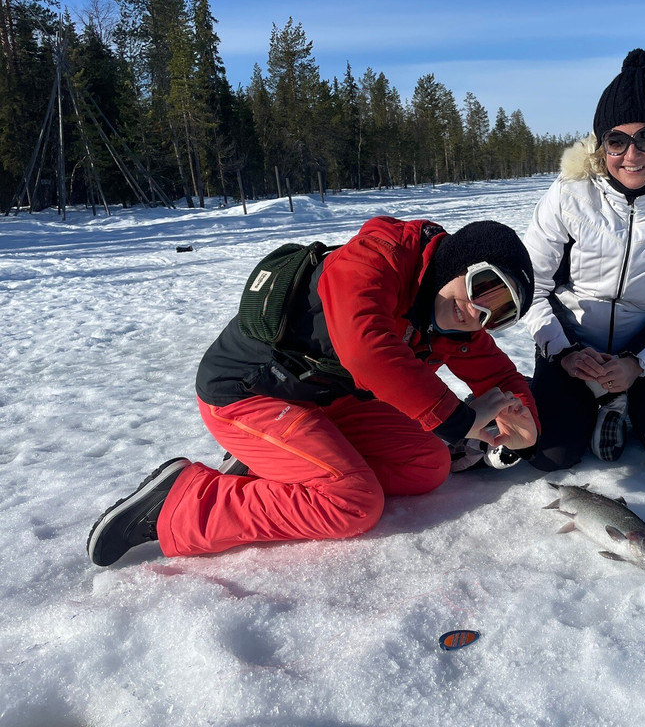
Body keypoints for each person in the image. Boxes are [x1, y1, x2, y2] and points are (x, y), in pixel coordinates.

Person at [87, 216, 538, 567]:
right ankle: (184, 501)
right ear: (458, 261)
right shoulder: (377, 258)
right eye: (484, 287)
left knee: (427, 464)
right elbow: (366, 350)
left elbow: (500, 376)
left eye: (498, 313)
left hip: (324, 402)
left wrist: (526, 429)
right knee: (352, 503)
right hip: (246, 395)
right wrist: (459, 420)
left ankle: (279, 467)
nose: (477, 313)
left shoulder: (448, 314)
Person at [521, 49, 645, 471]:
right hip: (572, 343)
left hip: (644, 345)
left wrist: (639, 363)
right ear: (600, 146)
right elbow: (532, 289)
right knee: (549, 453)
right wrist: (565, 353)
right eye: (616, 140)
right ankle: (590, 397)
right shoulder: (569, 194)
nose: (632, 155)